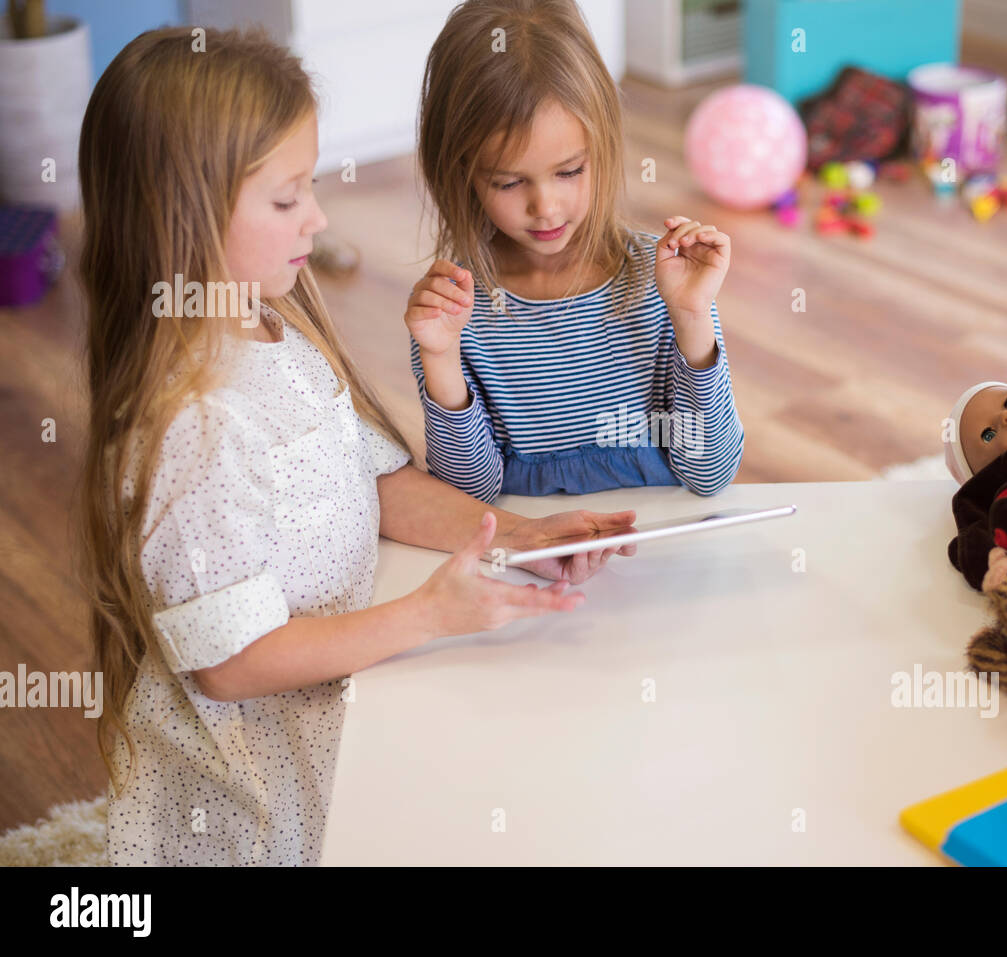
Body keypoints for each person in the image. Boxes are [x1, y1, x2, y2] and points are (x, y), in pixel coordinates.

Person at [77, 27, 634, 865]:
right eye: (286, 197)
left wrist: (516, 537)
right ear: (179, 212)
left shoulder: (274, 327)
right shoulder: (190, 423)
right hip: (251, 796)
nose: (318, 215)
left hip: (336, 701)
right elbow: (230, 662)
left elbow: (381, 482)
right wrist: (423, 616)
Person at [406, 0, 744, 502]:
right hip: (533, 561)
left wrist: (692, 316)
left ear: (604, 146)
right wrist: (440, 359)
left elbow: (710, 472)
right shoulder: (455, 312)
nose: (545, 207)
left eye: (569, 171)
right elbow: (470, 494)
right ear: (462, 175)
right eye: (508, 181)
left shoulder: (663, 281)